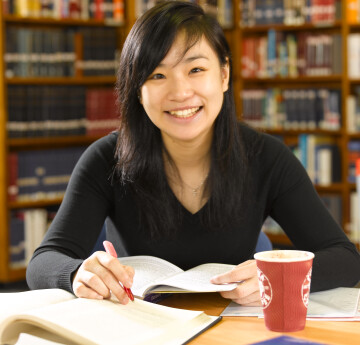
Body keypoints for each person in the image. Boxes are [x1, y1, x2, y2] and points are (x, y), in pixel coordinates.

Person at [27, 1, 360, 305]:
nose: (180, 92)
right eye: (157, 75)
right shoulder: (107, 159)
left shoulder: (266, 157)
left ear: (224, 74)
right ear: (137, 91)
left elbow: (344, 257)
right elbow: (45, 260)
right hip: (141, 327)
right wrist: (77, 274)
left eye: (195, 69)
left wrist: (280, 277)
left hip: (237, 329)